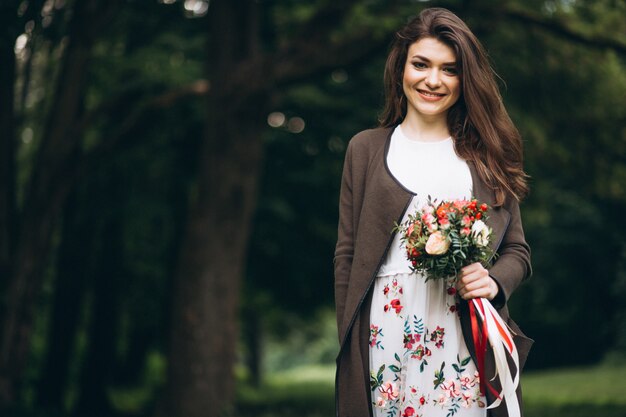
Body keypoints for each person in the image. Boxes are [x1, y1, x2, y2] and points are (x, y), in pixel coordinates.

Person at [334, 7, 533, 417]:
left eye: (449, 69)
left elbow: (518, 251)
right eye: (421, 64)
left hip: (462, 332)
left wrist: (493, 282)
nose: (432, 80)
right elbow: (346, 257)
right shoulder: (365, 149)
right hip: (383, 334)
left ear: (465, 79)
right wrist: (349, 344)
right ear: (401, 68)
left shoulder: (487, 156)